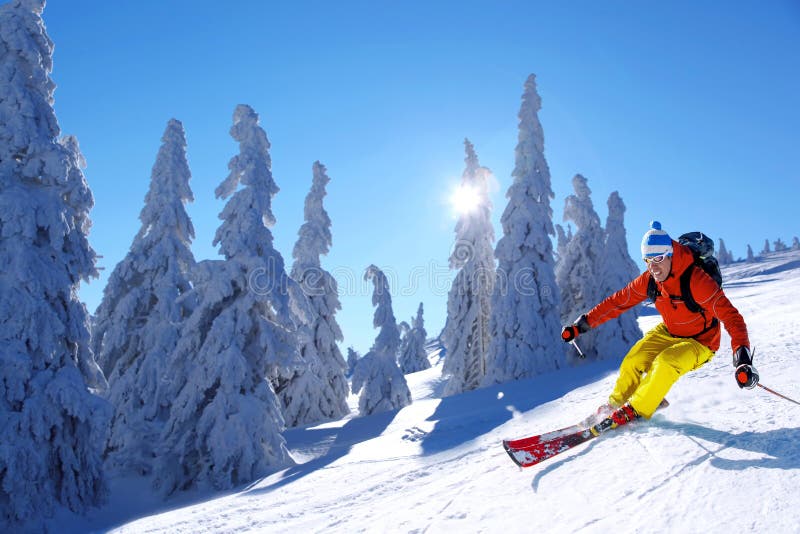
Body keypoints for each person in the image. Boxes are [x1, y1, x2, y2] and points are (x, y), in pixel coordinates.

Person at [560, 221, 758, 432]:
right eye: (648, 261)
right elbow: (617, 302)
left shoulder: (696, 281)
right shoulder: (650, 280)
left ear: (671, 254)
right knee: (633, 359)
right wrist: (581, 325)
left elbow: (732, 318)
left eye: (658, 259)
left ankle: (636, 409)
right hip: (670, 331)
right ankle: (615, 405)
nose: (653, 267)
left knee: (666, 362)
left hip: (701, 341)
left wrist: (742, 359)